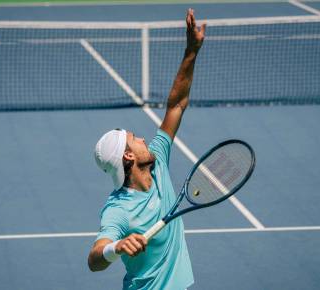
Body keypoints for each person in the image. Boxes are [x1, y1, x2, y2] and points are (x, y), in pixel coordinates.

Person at [88, 8, 206, 290]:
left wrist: (191, 52)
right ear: (128, 157)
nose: (142, 138)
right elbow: (94, 260)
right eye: (134, 138)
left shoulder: (158, 161)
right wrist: (116, 247)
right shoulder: (118, 209)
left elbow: (177, 104)